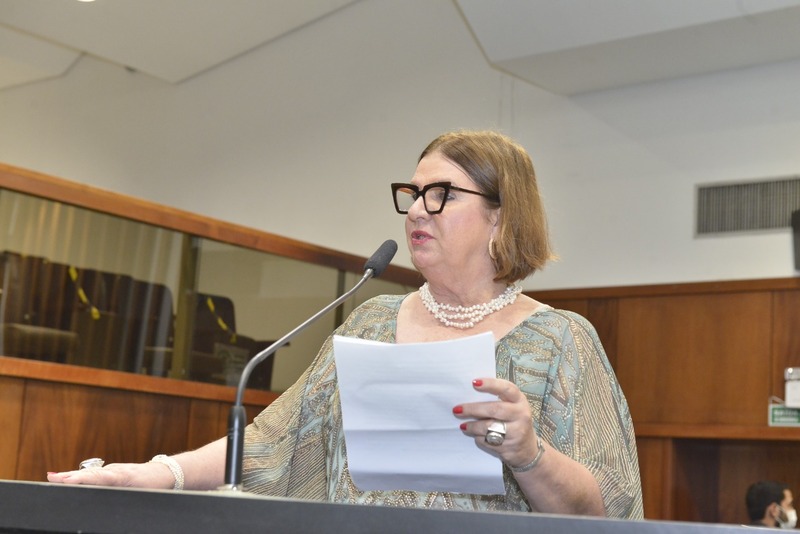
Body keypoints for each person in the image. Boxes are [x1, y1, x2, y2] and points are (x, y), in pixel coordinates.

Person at [47, 130, 643, 518]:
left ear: (502, 217)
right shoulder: (372, 320)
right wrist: (158, 474)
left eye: (441, 194)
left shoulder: (561, 341)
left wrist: (530, 454)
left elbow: (605, 509)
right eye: (412, 193)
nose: (416, 209)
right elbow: (273, 443)